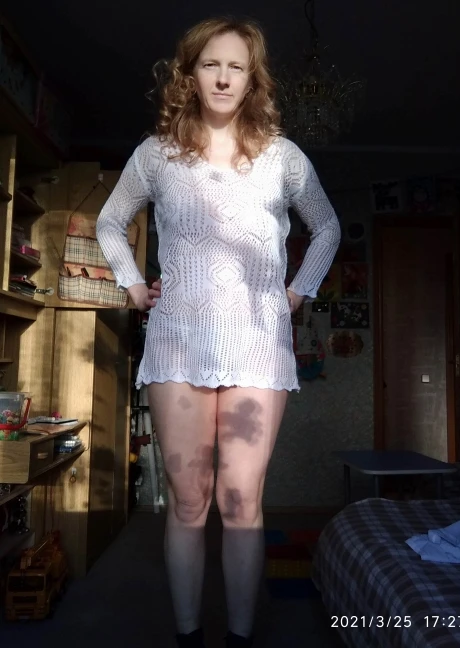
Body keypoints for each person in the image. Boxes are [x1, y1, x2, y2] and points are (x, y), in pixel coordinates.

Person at [96, 16, 340, 648]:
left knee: (241, 503)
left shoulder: (283, 157)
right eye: (211, 64)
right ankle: (188, 637)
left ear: (253, 78)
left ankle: (239, 639)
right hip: (178, 340)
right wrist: (132, 284)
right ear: (191, 74)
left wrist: (297, 292)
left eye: (237, 66)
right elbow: (109, 221)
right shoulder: (156, 154)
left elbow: (327, 226)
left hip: (258, 344)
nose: (224, 77)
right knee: (187, 503)